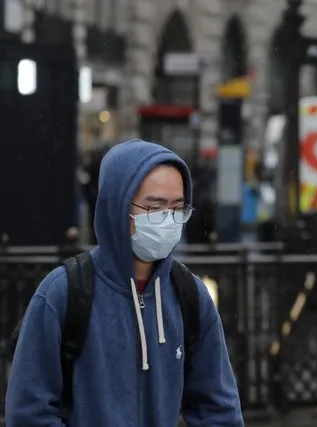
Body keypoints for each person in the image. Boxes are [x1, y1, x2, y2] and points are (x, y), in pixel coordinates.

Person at [5, 140, 244, 427]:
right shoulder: (63, 293)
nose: (167, 220)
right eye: (154, 207)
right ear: (117, 206)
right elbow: (29, 412)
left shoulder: (190, 296)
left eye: (178, 208)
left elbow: (218, 410)